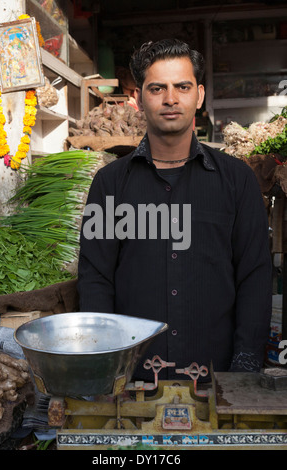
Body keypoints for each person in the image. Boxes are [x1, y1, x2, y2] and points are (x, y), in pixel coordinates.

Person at [77, 39, 272, 382]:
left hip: (218, 376)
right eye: (157, 88)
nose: (170, 99)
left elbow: (254, 275)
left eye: (182, 87)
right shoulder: (110, 184)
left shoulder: (236, 180)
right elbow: (96, 279)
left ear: (198, 95)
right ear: (138, 99)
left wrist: (246, 362)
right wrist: (104, 365)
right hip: (131, 379)